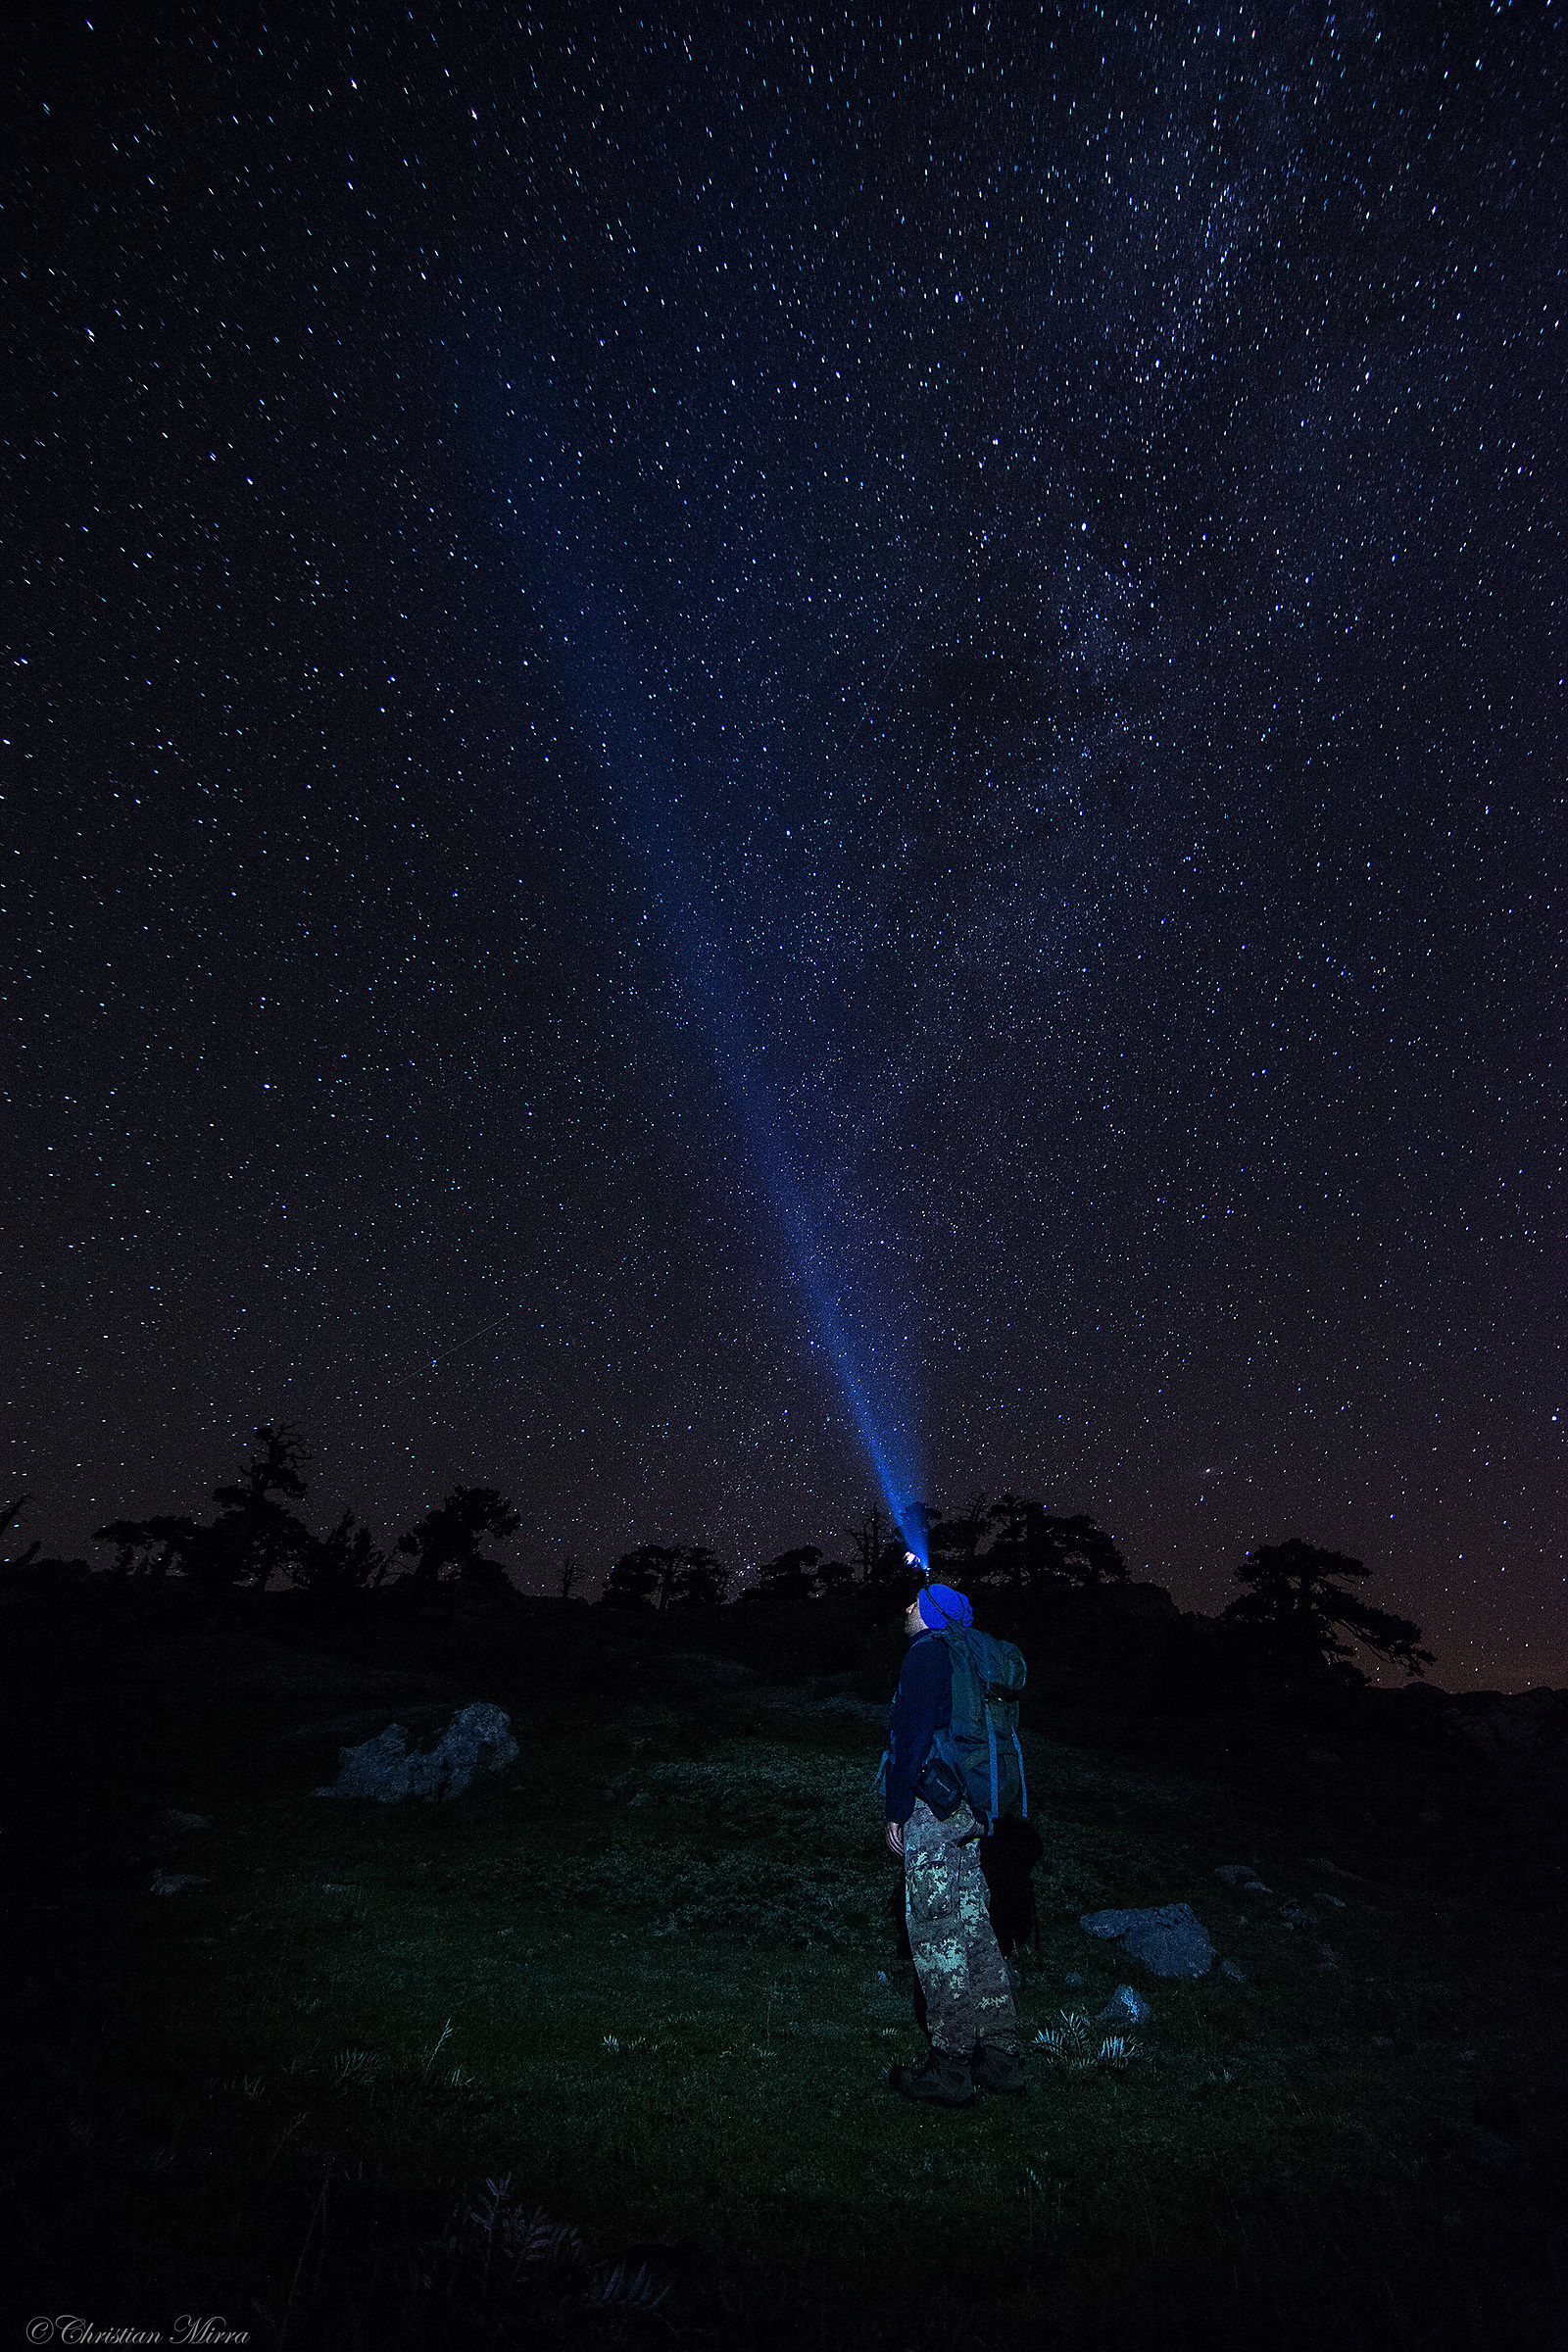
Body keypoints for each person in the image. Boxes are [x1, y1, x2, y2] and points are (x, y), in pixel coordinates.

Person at [885, 1570, 1026, 2105]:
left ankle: (949, 2067)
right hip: (970, 1809)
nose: (907, 1608)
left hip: (933, 1810)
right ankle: (1001, 2057)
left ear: (932, 1614)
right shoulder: (971, 1656)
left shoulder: (927, 1653)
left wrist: (897, 1809)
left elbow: (910, 1735)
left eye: (915, 1603)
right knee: (975, 1929)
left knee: (936, 1932)